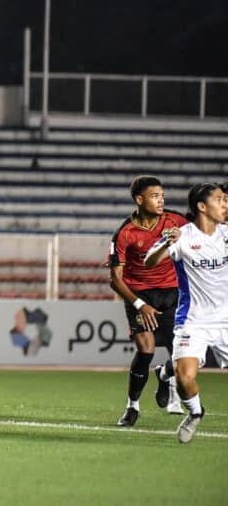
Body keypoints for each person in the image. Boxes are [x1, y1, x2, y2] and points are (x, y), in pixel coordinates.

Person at [144, 182, 228, 443]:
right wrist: (167, 242)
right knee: (185, 376)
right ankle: (195, 412)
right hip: (193, 320)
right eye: (220, 200)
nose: (225, 205)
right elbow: (150, 261)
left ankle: (163, 373)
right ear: (202, 207)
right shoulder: (182, 236)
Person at [108, 175, 188, 426]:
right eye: (155, 196)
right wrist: (140, 304)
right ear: (139, 199)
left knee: (183, 356)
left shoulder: (175, 220)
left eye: (162, 195)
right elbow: (115, 280)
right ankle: (132, 407)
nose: (161, 200)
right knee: (146, 349)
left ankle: (164, 375)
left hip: (173, 292)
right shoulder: (125, 233)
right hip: (140, 295)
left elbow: (203, 234)